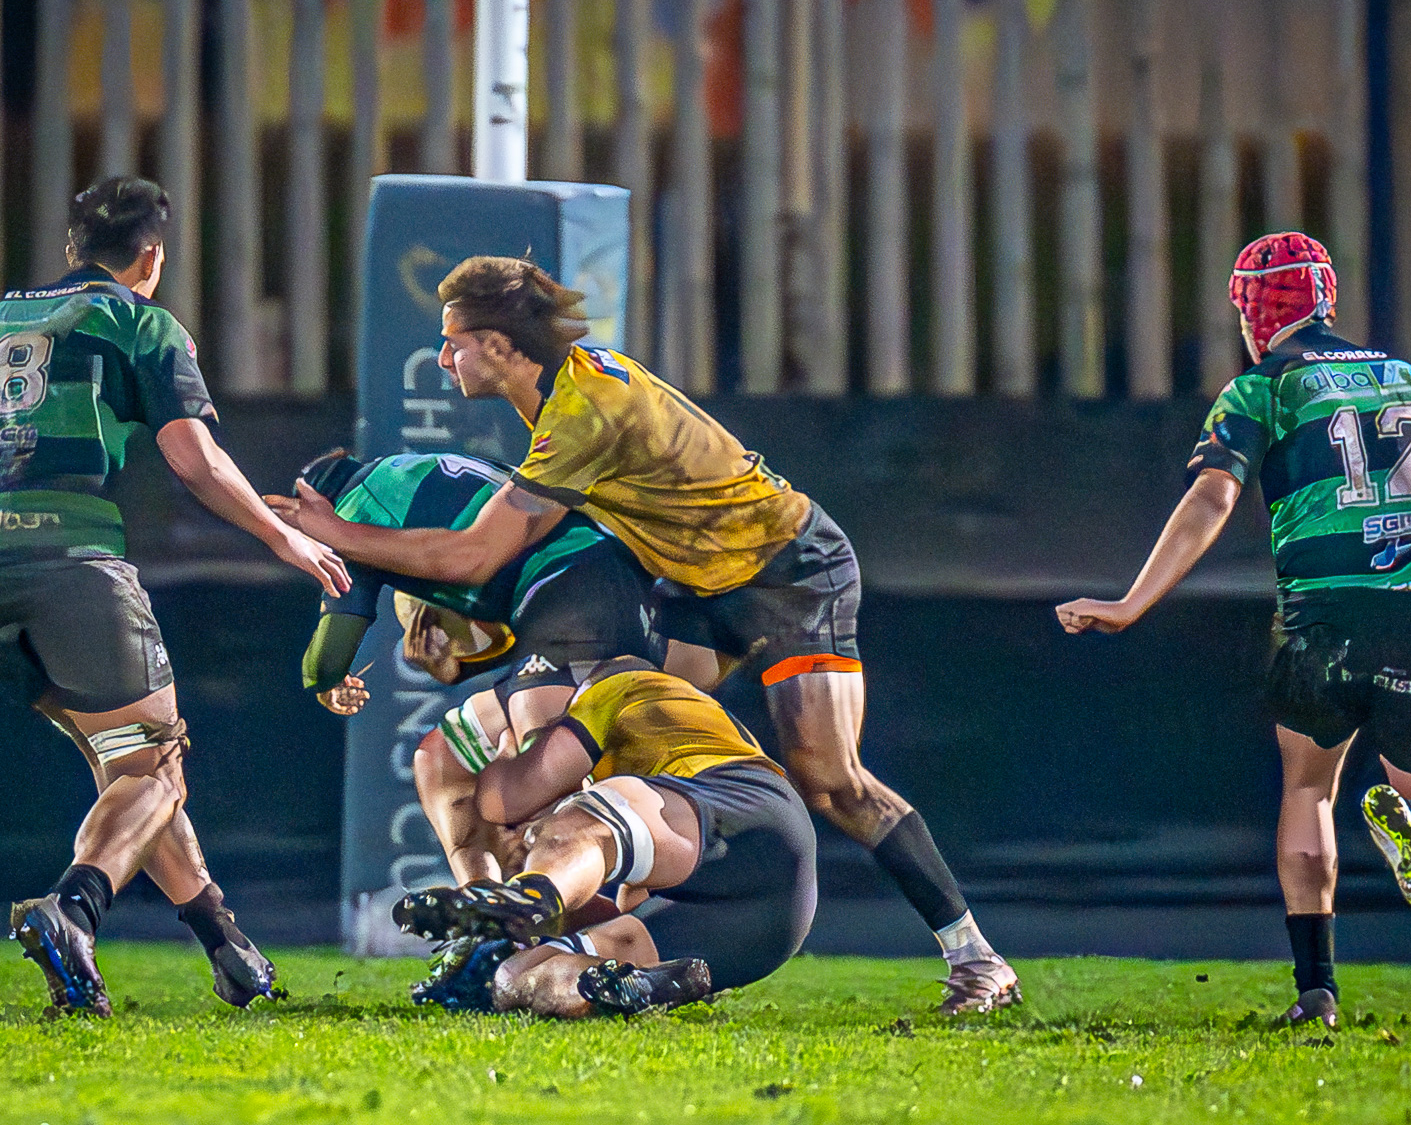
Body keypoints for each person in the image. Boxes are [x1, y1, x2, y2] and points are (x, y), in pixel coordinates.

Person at [268, 256, 1017, 1013]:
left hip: (786, 572)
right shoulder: (562, 398)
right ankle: (580, 943)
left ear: (498, 344)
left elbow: (480, 553)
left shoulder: (581, 410)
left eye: (453, 341)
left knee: (829, 779)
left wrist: (344, 535)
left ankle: (976, 957)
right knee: (590, 728)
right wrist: (468, 642)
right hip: (694, 587)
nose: (443, 357)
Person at [0, 176, 351, 1017]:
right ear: (152, 257)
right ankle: (73, 910)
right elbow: (194, 460)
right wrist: (288, 538)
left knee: (124, 763)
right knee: (154, 765)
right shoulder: (139, 320)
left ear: (69, 249)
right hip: (63, 562)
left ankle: (225, 946)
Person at [1055, 232, 1411, 1029]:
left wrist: (1132, 600)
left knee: (1310, 786)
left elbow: (1212, 499)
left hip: (1320, 610)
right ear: (1326, 298)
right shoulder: (1410, 378)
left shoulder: (1261, 387)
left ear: (1253, 313)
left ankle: (1316, 990)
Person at [282, 447, 662, 882]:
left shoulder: (352, 516)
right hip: (605, 586)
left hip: (571, 589)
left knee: (533, 791)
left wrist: (326, 679)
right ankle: (484, 920)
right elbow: (507, 609)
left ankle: (590, 921)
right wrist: (453, 665)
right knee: (441, 759)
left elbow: (332, 647)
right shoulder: (421, 468)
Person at [395, 657, 817, 1018]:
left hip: (745, 807)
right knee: (515, 976)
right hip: (770, 923)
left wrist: (509, 761)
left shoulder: (615, 687)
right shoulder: (661, 741)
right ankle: (626, 988)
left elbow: (511, 797)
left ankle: (530, 897)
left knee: (583, 821)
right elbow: (631, 904)